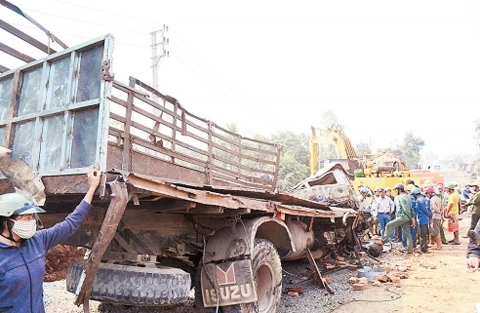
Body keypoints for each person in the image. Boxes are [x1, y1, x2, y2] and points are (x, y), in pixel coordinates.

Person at [0, 168, 100, 313]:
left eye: (32, 217)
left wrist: (91, 188)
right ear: (5, 222)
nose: (31, 222)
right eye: (25, 218)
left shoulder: (37, 241)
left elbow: (70, 224)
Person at [382, 183, 416, 254]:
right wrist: (412, 218)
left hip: (402, 216)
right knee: (408, 234)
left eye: (396, 190)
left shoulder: (401, 197)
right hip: (407, 217)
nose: (395, 191)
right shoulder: (408, 197)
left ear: (399, 190)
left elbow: (405, 208)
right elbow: (411, 208)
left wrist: (410, 218)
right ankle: (410, 250)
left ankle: (383, 241)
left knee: (389, 225)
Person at [411, 187, 432, 253]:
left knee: (422, 234)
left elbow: (424, 210)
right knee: (424, 234)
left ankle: (424, 248)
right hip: (424, 219)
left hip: (421, 220)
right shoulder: (424, 199)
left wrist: (428, 215)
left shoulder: (419, 200)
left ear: (415, 194)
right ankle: (424, 247)